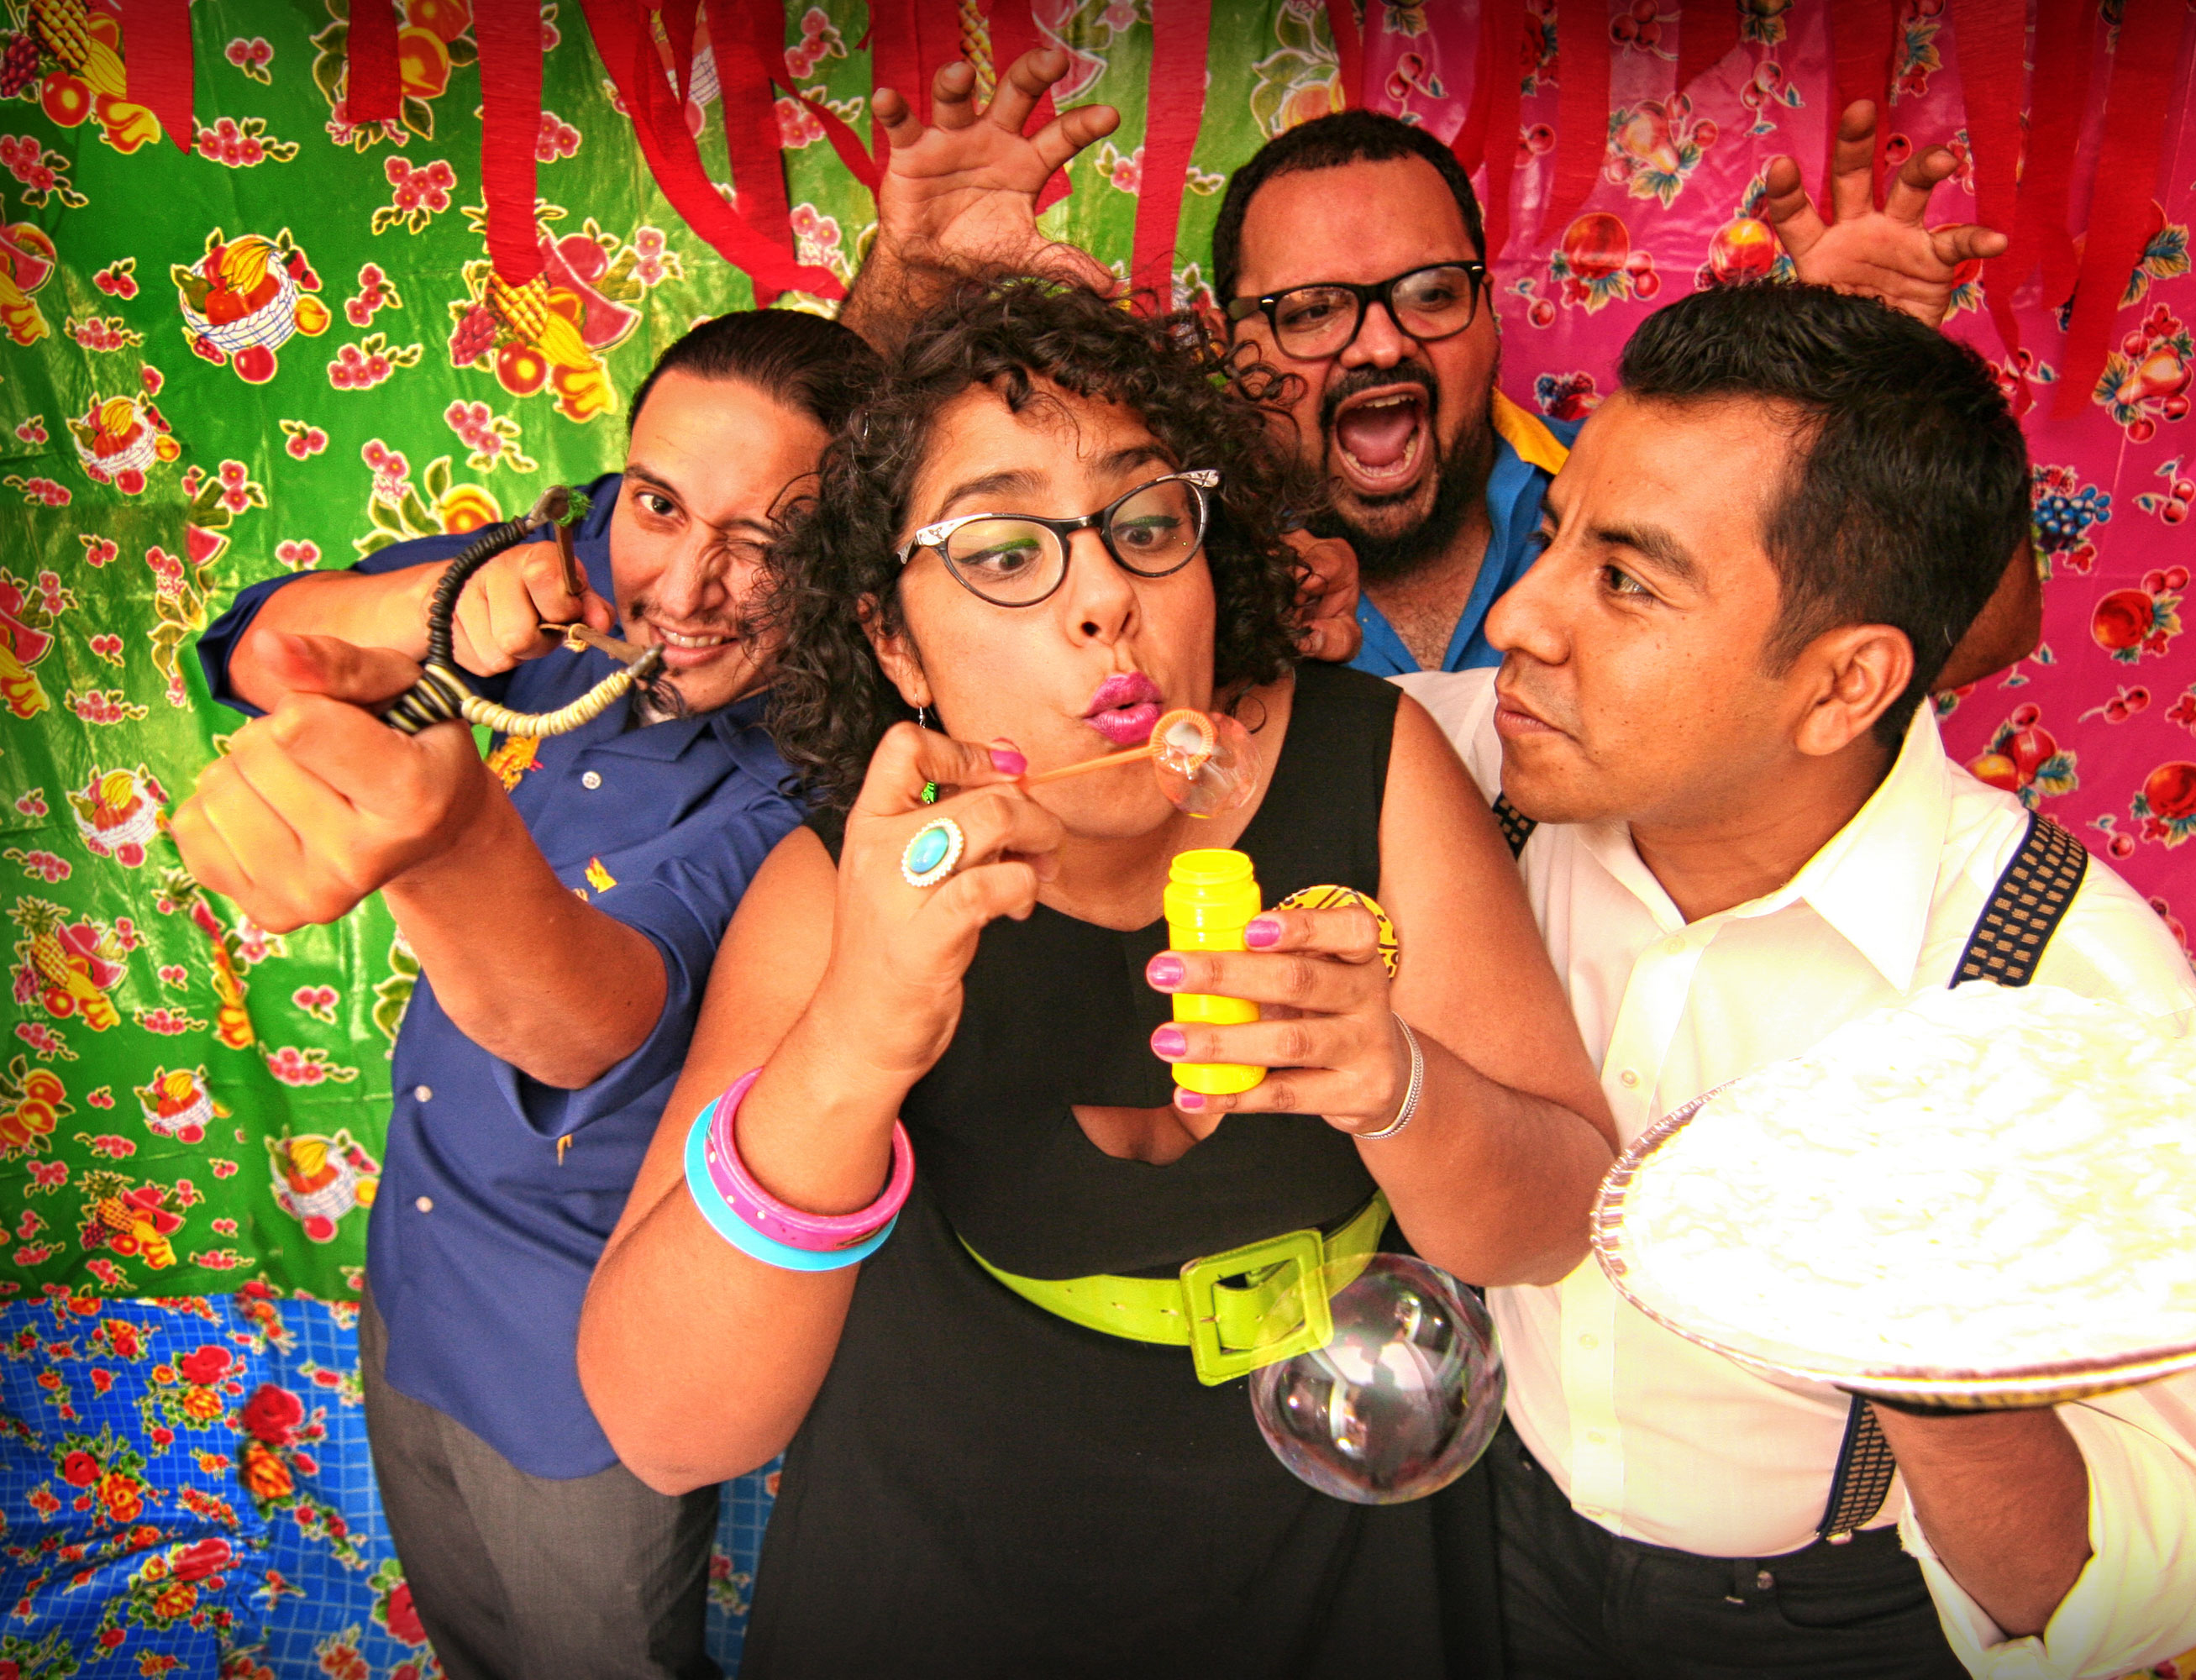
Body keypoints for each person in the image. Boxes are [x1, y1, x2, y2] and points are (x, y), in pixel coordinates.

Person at [576, 276, 1614, 1675]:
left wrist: (1400, 1088)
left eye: (1146, 525)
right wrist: (858, 1036)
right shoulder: (839, 890)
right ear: (893, 642)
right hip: (937, 1591)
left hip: (1345, 1586)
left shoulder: (1372, 767)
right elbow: (667, 1429)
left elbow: (1553, 1228)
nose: (1108, 598)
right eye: (1006, 551)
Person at [1395, 285, 2196, 1678]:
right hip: (1503, 1538)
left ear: (1847, 686)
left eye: (1628, 581)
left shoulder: (2062, 998)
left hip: (1840, 1619)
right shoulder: (1462, 771)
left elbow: (2139, 1599)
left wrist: (1930, 1364)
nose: (1522, 621)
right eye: (1553, 541)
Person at [174, 311, 879, 1680]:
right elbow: (255, 650)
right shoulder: (567, 567)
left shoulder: (817, 788)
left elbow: (594, 1026)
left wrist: (450, 849)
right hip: (412, 1277)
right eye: (662, 506)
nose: (686, 586)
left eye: (766, 544)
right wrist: (431, 608)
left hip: (573, 1371)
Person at [840, 46, 2023, 677]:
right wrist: (908, 295)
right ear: (1231, 343)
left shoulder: (1633, 506)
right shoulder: (1158, 557)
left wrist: (1875, 393)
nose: (1380, 343)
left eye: (1428, 293)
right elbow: (842, 580)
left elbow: (1972, 631)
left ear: (1491, 311)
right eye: (1310, 310)